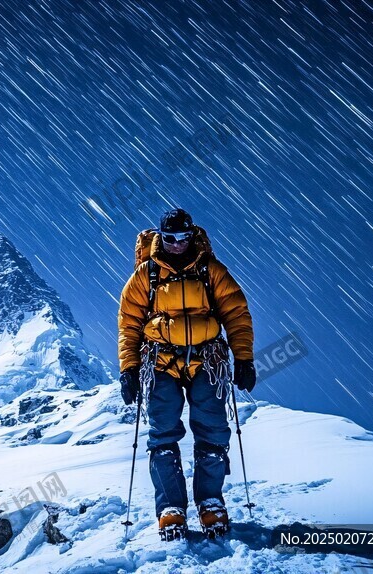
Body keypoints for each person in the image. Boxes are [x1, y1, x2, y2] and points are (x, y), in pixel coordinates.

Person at [117, 208, 256, 540]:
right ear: (161, 238)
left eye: (183, 238)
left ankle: (210, 503)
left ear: (192, 236)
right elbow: (129, 324)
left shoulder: (211, 270)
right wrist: (129, 369)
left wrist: (245, 359)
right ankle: (171, 508)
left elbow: (236, 313)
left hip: (207, 359)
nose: (177, 245)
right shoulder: (145, 276)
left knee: (213, 432)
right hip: (160, 361)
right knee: (162, 434)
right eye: (169, 238)